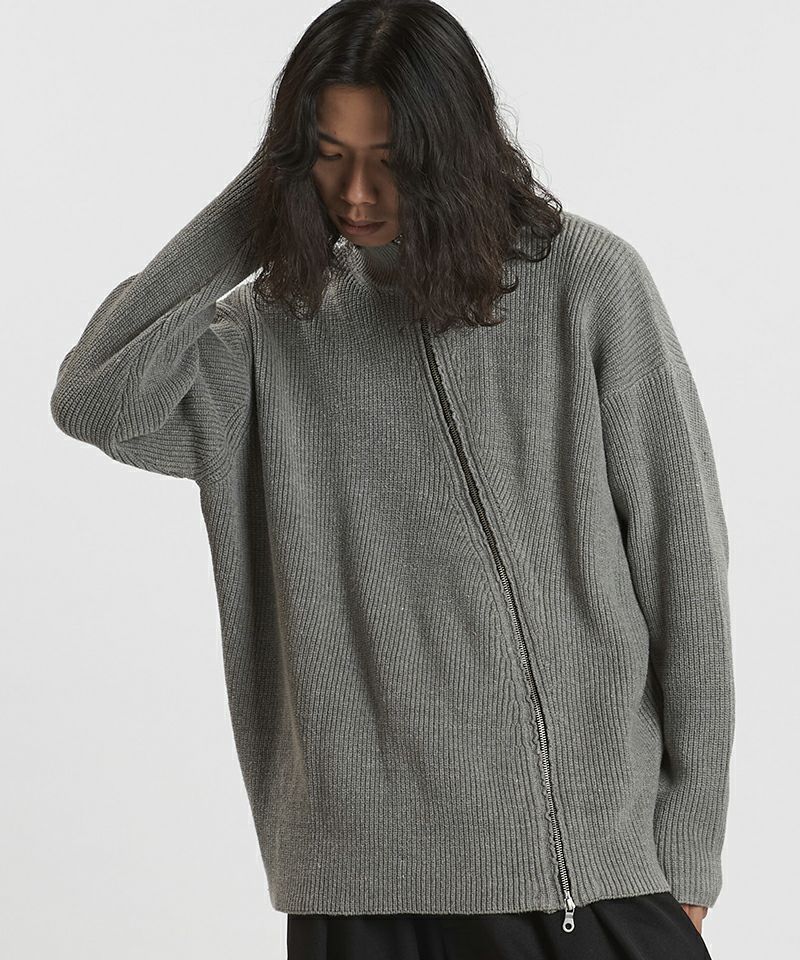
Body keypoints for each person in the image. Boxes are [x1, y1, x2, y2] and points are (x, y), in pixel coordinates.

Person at [49, 1, 734, 957]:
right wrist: (261, 207)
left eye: (390, 158)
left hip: (582, 877)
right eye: (329, 156)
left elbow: (683, 565)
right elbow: (95, 398)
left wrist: (691, 852)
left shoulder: (588, 284)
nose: (358, 193)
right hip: (357, 893)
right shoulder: (267, 336)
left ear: (455, 148)